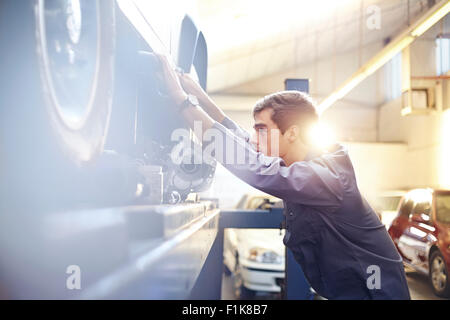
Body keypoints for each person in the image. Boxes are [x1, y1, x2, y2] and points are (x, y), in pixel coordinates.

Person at [152, 53, 411, 300]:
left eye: (263, 130)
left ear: (292, 134)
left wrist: (179, 98)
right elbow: (242, 141)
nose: (255, 138)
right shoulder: (301, 164)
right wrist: (198, 95)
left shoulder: (325, 176)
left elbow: (255, 168)